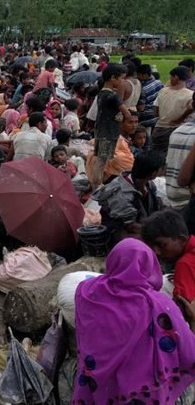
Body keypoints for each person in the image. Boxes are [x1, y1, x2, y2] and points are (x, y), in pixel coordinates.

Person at [72, 239, 195, 404]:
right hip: (141, 393)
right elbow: (188, 351)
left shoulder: (86, 292)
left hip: (97, 385)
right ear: (149, 266)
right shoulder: (158, 304)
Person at [92, 151, 166, 244]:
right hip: (120, 233)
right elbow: (131, 226)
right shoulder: (121, 194)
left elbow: (158, 207)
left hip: (141, 225)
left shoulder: (147, 185)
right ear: (153, 173)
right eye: (161, 169)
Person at [89, 63, 133, 187]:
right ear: (113, 78)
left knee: (101, 159)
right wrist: (121, 116)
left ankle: (97, 183)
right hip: (109, 132)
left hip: (101, 130)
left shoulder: (101, 93)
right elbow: (127, 114)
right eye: (122, 78)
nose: (123, 82)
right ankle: (96, 184)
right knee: (101, 161)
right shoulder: (113, 96)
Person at [141, 210, 195, 302]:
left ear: (182, 240)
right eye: (152, 248)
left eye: (161, 245)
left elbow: (185, 306)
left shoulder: (184, 264)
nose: (156, 252)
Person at [151, 67, 194, 155]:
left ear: (176, 77)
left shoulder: (163, 91)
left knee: (156, 157)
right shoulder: (190, 95)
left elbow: (155, 112)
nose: (170, 79)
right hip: (179, 132)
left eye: (171, 77)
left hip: (159, 130)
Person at [86, 112, 137, 184]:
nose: (134, 126)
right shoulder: (111, 139)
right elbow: (98, 159)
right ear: (120, 124)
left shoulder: (128, 140)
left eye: (136, 122)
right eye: (130, 122)